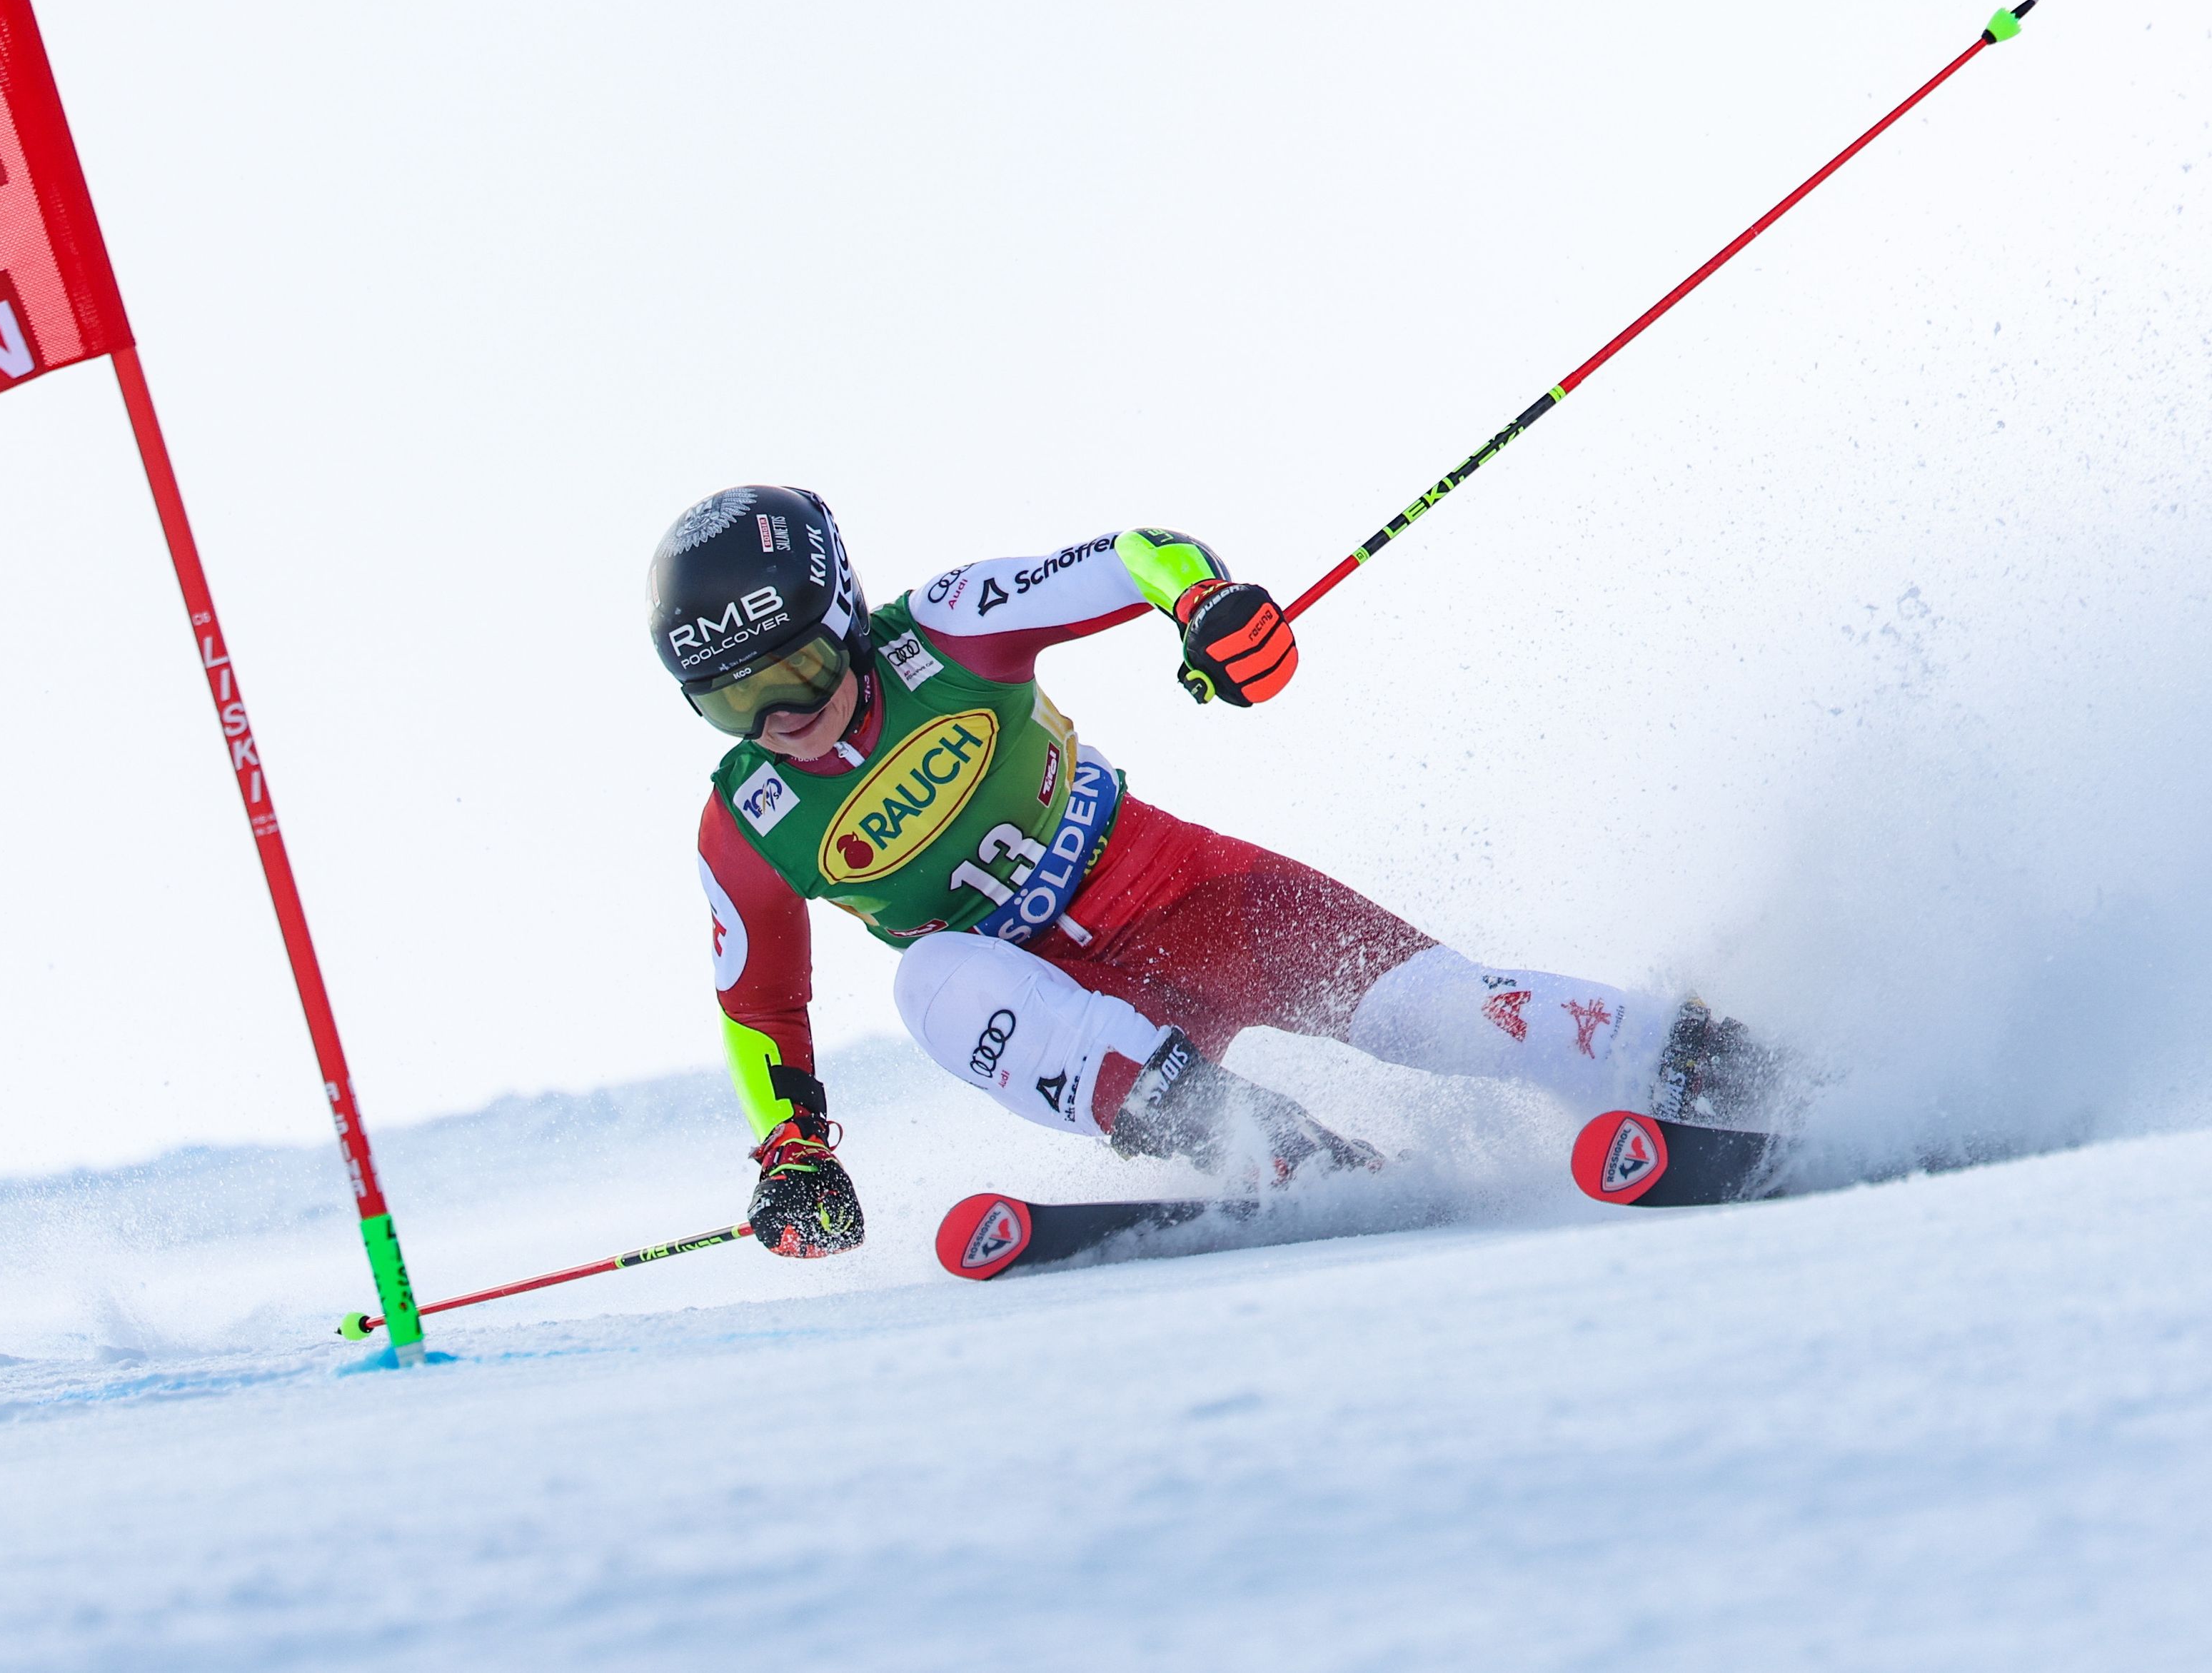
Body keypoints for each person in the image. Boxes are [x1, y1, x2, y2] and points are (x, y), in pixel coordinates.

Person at [653, 485, 1779, 1257]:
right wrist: (793, 1153)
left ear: (844, 617)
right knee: (931, 981)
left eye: (795, 668)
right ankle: (1277, 1152)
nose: (783, 718)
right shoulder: (744, 824)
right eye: (734, 704)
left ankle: (1727, 1069)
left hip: (1205, 900)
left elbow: (1127, 558)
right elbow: (760, 1002)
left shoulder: (943, 630)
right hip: (1075, 1014)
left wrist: (1207, 608)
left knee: (1454, 1015)